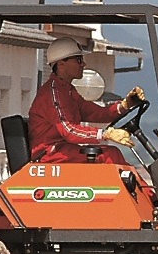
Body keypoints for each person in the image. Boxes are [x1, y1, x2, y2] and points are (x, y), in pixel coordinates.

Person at [28, 36, 144, 164]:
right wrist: (105, 134)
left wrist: (124, 105)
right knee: (110, 154)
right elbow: (69, 131)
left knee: (112, 153)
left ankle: (137, 184)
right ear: (61, 64)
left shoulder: (68, 91)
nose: (83, 64)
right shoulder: (52, 94)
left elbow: (96, 113)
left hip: (63, 151)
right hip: (49, 155)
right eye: (78, 60)